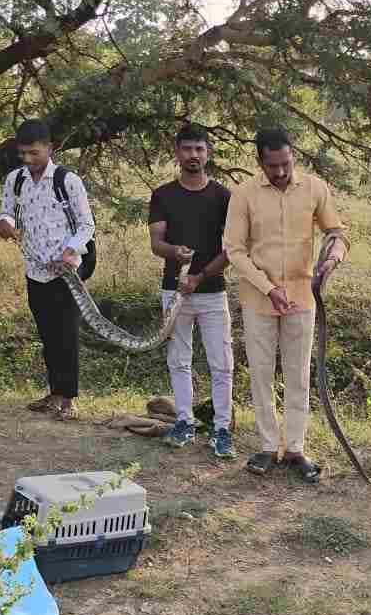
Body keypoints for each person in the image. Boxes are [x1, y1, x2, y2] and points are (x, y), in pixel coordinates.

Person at [224, 127, 348, 483]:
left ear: (293, 155)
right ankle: (266, 447)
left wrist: (333, 259)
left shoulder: (315, 188)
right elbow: (234, 250)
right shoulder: (244, 194)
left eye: (285, 164)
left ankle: (295, 448)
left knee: (298, 373)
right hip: (258, 298)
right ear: (259, 161)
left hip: (302, 297)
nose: (280, 172)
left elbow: (337, 232)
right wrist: (267, 287)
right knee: (261, 374)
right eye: (272, 166)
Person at [0, 119, 95, 421]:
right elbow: (6, 212)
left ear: (50, 149)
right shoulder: (16, 179)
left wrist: (70, 251)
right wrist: (4, 224)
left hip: (67, 271)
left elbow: (87, 225)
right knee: (48, 334)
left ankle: (69, 401)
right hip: (35, 269)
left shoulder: (67, 180)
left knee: (66, 335)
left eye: (34, 153)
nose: (28, 159)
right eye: (22, 153)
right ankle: (54, 394)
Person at [147, 125, 235, 458]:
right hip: (174, 292)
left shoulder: (223, 196)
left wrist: (198, 276)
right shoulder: (163, 195)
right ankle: (184, 422)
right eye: (187, 149)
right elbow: (157, 243)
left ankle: (223, 428)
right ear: (177, 153)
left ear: (207, 152)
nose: (193, 155)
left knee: (221, 363)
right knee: (178, 360)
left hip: (212, 291)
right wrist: (175, 253)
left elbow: (232, 249)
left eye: (199, 149)